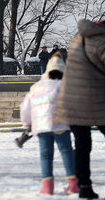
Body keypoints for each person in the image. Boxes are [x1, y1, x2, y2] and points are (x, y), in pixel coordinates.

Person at [53, 17, 105, 200]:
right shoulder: (104, 39)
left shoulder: (80, 35)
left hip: (69, 98)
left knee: (82, 143)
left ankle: (84, 187)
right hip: (90, 97)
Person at [20, 53, 78, 195]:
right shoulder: (66, 86)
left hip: (42, 126)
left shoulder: (36, 87)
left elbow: (25, 107)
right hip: (61, 125)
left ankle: (47, 187)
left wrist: (27, 124)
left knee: (45, 155)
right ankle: (73, 185)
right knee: (66, 153)